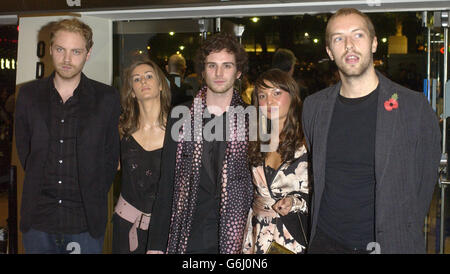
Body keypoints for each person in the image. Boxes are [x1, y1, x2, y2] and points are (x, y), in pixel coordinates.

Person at [302, 8, 441, 254]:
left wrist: (401, 229)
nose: (349, 45)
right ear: (329, 51)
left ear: (374, 43)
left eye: (358, 35)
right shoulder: (314, 107)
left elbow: (424, 180)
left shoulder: (412, 107)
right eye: (338, 38)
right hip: (326, 242)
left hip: (389, 244)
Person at [14, 18, 121, 254]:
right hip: (38, 220)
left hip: (85, 222)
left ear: (88, 53)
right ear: (51, 49)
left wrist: (92, 189)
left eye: (76, 51)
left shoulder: (107, 98)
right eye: (61, 49)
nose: (67, 59)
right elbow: (25, 150)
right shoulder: (28, 96)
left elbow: (111, 155)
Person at [147, 32, 253, 254]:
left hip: (238, 235)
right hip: (188, 233)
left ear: (239, 71)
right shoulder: (182, 115)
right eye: (212, 66)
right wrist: (155, 245)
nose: (219, 73)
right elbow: (167, 182)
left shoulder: (252, 119)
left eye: (227, 66)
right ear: (203, 71)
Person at [242, 68, 309, 254]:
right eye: (262, 96)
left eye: (276, 93)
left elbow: (325, 193)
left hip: (292, 237)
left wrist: (295, 202)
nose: (269, 101)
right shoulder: (254, 139)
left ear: (292, 95)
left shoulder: (308, 141)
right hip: (256, 233)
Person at [112, 59, 171, 253]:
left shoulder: (178, 131)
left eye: (148, 76)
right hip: (125, 224)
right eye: (136, 79)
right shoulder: (121, 130)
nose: (143, 82)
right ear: (131, 90)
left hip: (164, 228)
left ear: (161, 84)